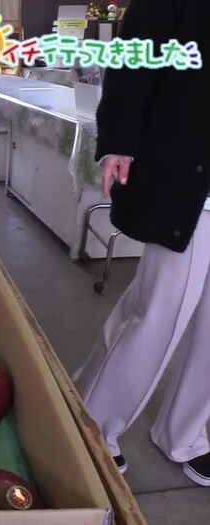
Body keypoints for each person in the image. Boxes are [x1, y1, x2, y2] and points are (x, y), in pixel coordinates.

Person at [72, 0, 210, 486]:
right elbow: (134, 59)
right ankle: (91, 423)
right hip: (188, 180)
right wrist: (119, 138)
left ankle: (187, 433)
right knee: (158, 313)